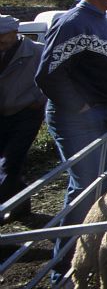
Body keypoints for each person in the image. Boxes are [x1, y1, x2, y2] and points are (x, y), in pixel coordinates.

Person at [35, 0, 107, 281]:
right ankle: (63, 268)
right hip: (82, 119)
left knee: (103, 185)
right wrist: (82, 108)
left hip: (104, 114)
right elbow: (48, 73)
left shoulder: (102, 23)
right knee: (84, 190)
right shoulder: (73, 22)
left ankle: (91, 253)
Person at [0, 15, 45, 222]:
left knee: (10, 161)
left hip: (26, 112)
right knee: (8, 162)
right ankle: (21, 206)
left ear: (14, 33)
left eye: (3, 38)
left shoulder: (36, 51)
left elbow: (50, 76)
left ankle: (3, 208)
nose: (0, 42)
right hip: (3, 112)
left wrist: (39, 99)